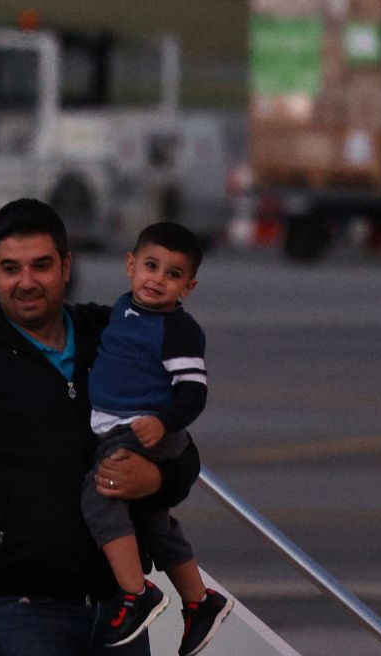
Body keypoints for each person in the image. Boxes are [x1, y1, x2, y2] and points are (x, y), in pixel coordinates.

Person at [0, 198, 203, 656]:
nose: (26, 282)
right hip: (22, 610)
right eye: (11, 268)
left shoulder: (112, 336)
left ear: (66, 266)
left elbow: (181, 447)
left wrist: (158, 479)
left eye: (42, 266)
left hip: (121, 609)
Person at [83, 221, 230, 653]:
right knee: (151, 520)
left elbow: (194, 393)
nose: (158, 280)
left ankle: (136, 594)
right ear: (130, 265)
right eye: (151, 266)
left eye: (173, 274)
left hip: (142, 432)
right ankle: (200, 602)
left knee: (98, 495)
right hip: (119, 426)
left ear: (189, 286)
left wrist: (163, 422)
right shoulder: (123, 308)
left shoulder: (178, 330)